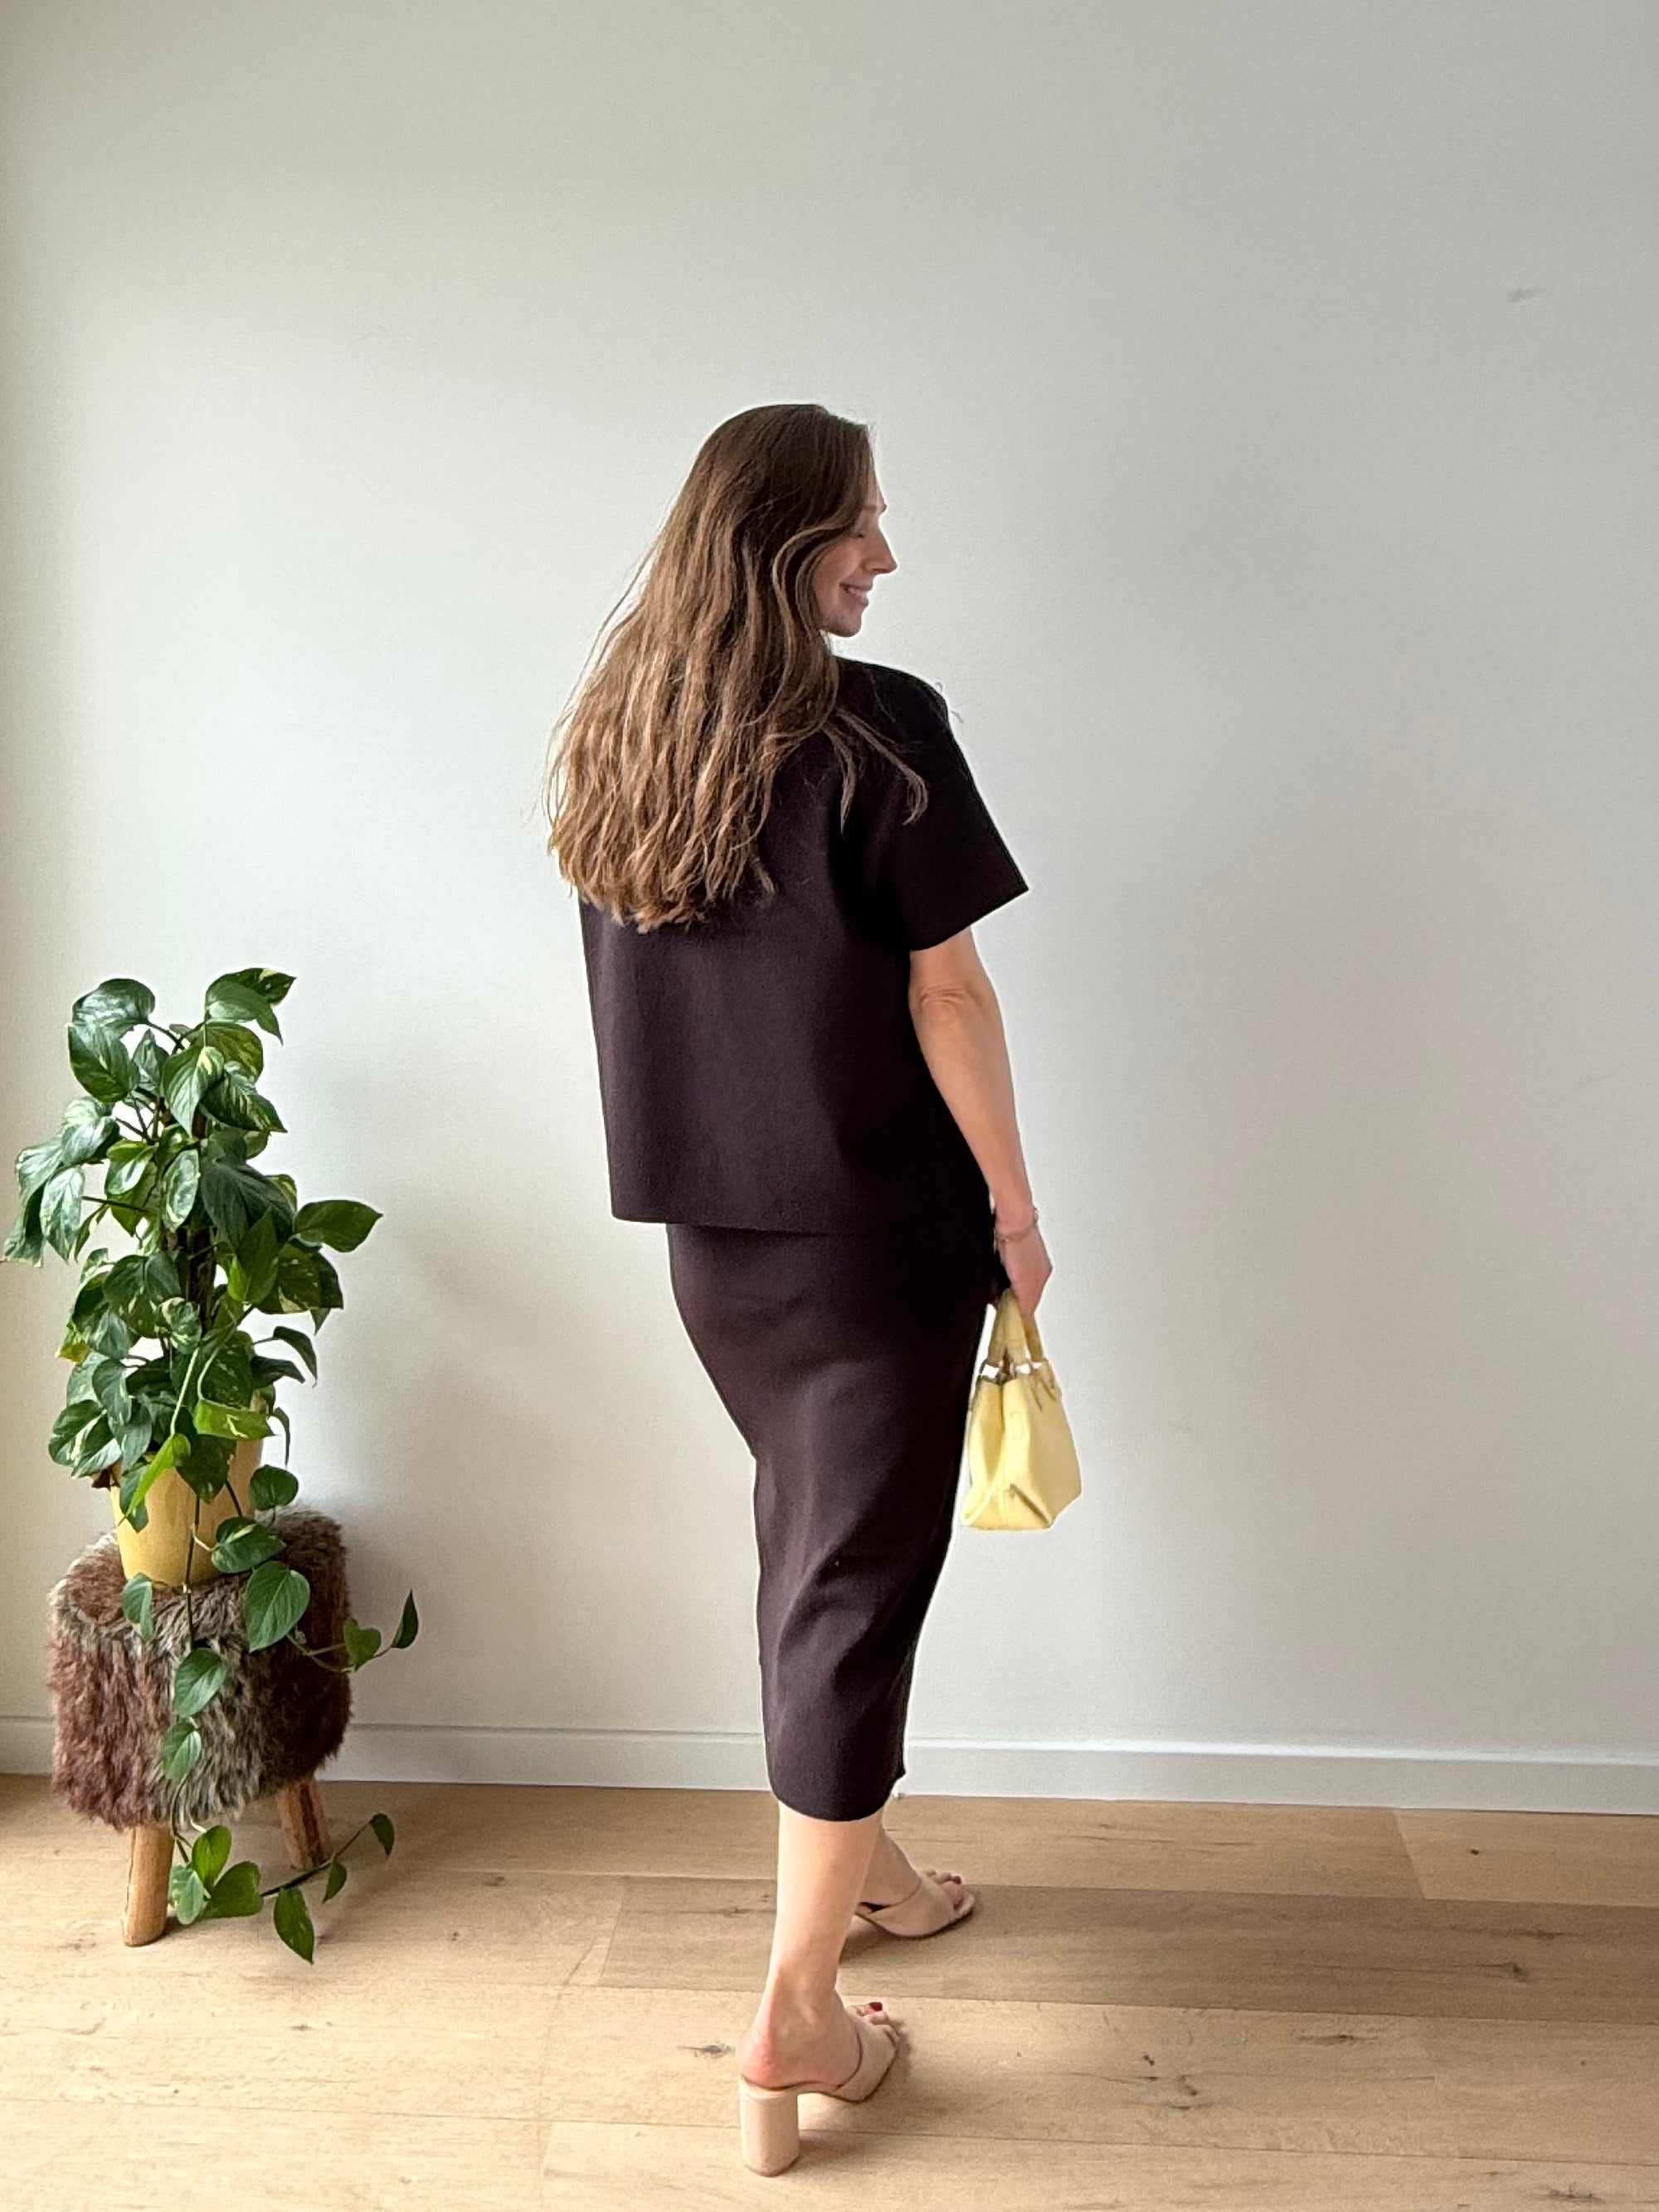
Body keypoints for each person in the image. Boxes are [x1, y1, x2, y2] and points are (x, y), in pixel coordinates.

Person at [543, 401, 1052, 2175]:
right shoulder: (876, 728)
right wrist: (1014, 1206)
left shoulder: (628, 729)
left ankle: (874, 1876)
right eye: (861, 525)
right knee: (853, 1584)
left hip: (716, 1245)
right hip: (877, 1233)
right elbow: (948, 993)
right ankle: (797, 2014)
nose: (884, 557)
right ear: (780, 538)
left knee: (809, 1547)